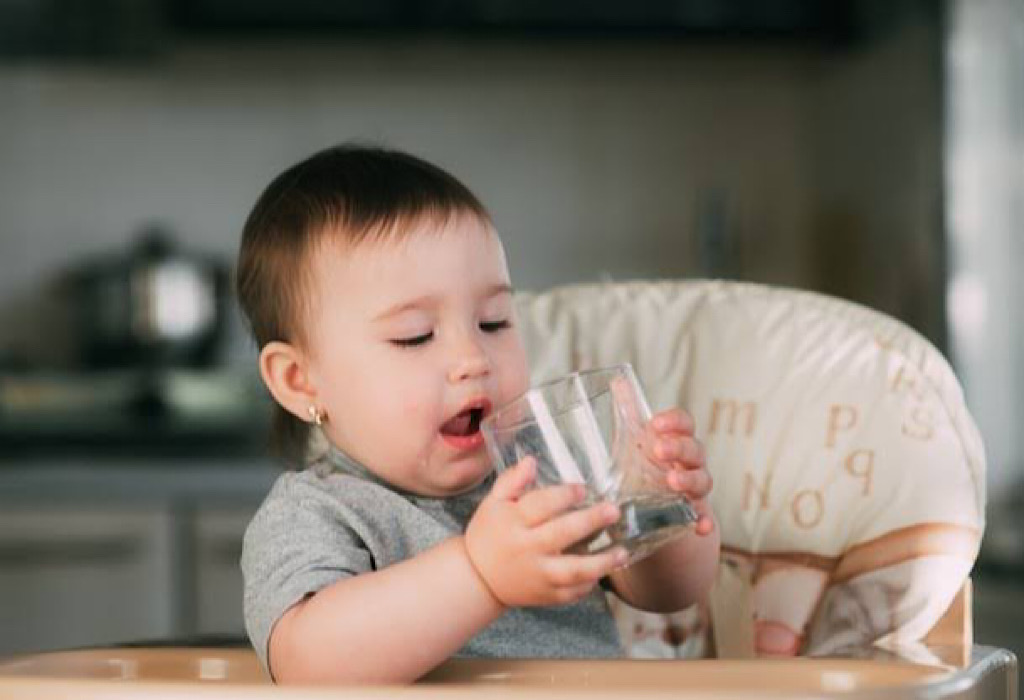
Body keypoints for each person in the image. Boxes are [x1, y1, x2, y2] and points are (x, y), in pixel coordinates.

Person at [236, 144, 720, 684]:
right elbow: (309, 667)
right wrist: (479, 574)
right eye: (414, 336)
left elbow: (665, 593)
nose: (473, 360)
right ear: (299, 380)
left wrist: (662, 505)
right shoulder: (315, 513)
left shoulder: (538, 474)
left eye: (493, 323)